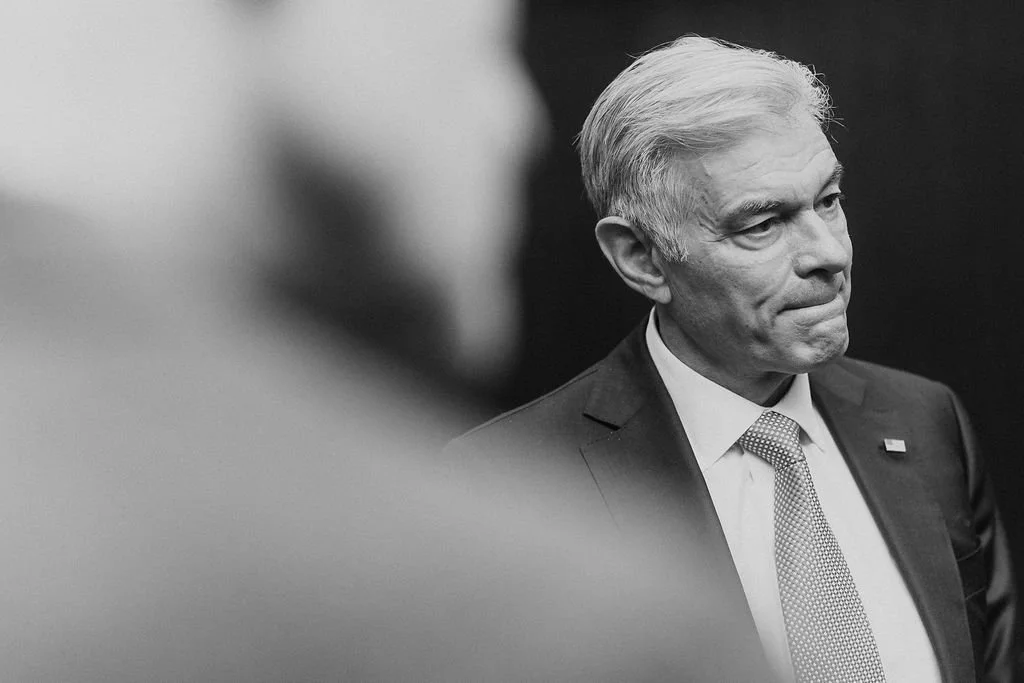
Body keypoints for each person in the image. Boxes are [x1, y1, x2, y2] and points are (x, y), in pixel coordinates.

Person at [449, 36, 1018, 682]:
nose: (829, 253)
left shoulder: (926, 421)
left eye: (828, 200)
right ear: (642, 258)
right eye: (762, 224)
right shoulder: (509, 486)